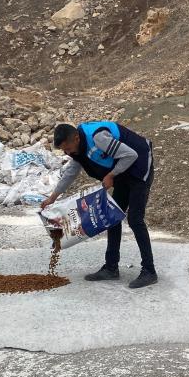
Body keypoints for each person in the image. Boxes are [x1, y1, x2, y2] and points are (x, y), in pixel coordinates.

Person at [41, 122, 157, 288]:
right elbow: (71, 173)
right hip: (123, 170)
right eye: (64, 151)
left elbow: (131, 155)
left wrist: (111, 175)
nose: (68, 153)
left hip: (139, 166)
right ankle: (111, 268)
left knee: (135, 219)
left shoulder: (98, 138)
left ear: (76, 138)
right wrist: (53, 197)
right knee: (112, 217)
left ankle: (149, 271)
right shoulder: (78, 149)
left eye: (68, 149)